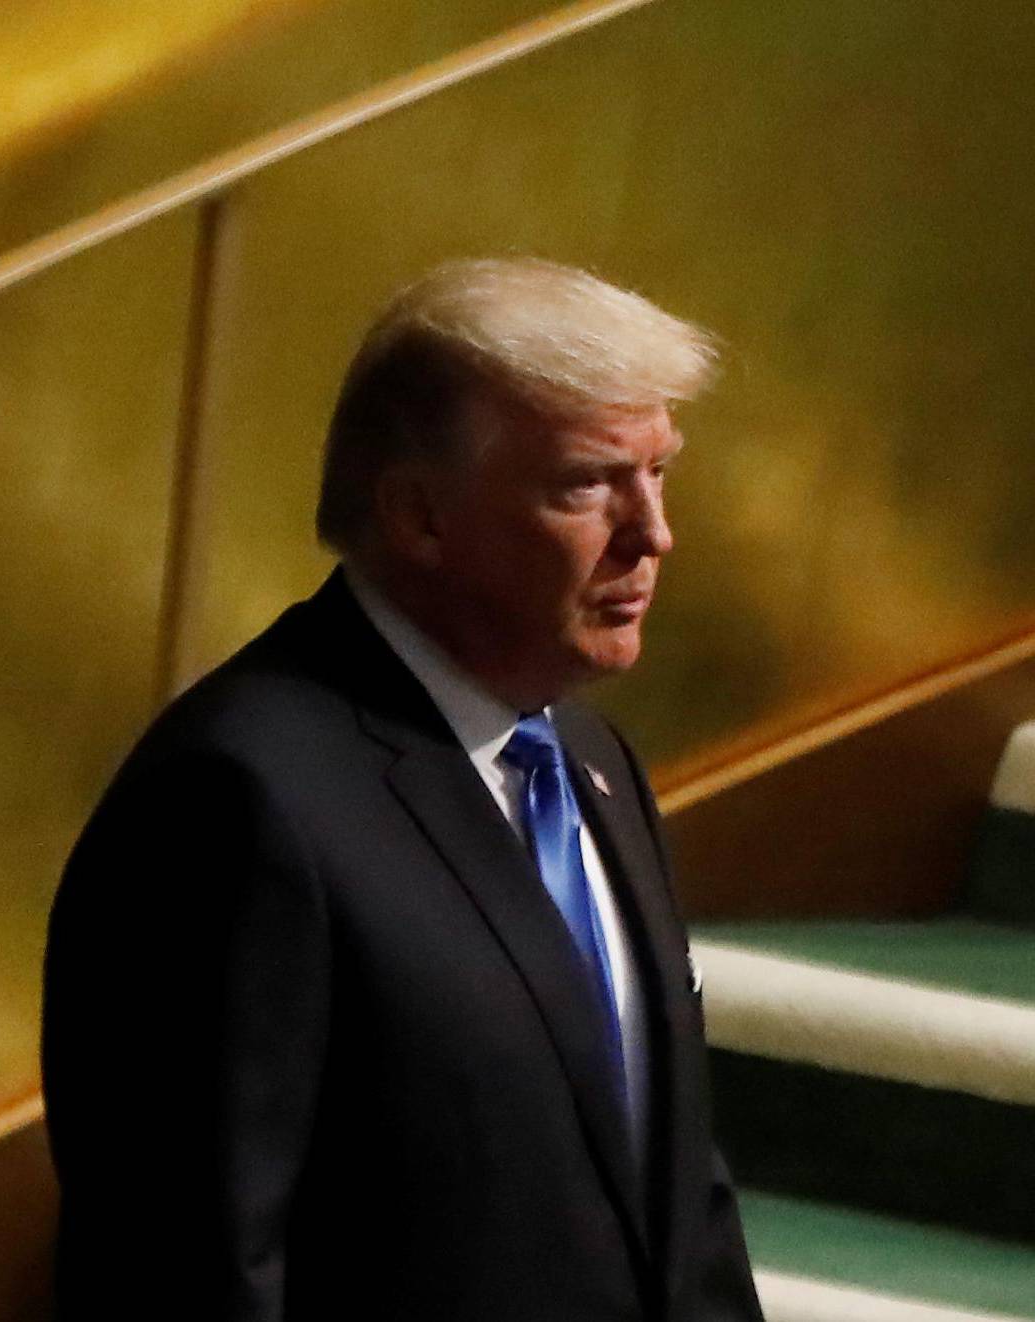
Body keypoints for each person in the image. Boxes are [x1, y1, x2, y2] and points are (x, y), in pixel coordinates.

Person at [41, 257, 763, 1321]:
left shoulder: (595, 764)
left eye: (660, 474)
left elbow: (671, 1190)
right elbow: (187, 1269)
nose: (652, 532)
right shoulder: (236, 798)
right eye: (585, 484)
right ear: (420, 516)